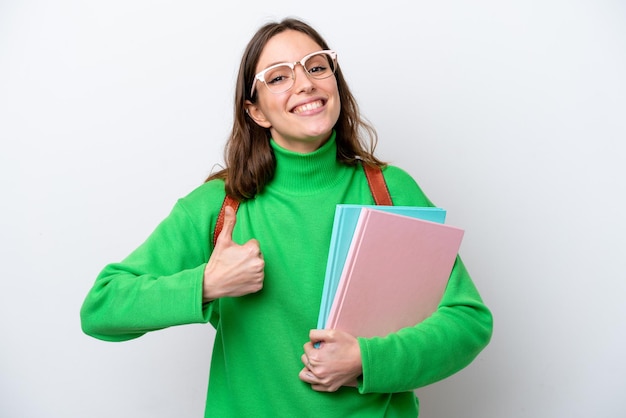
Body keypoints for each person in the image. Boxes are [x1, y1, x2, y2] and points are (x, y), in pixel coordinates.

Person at [80, 17, 493, 417]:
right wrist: (206, 284)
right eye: (279, 77)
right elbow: (101, 309)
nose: (305, 83)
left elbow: (467, 320)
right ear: (256, 112)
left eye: (316, 66)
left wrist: (366, 360)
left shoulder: (390, 190)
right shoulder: (220, 206)